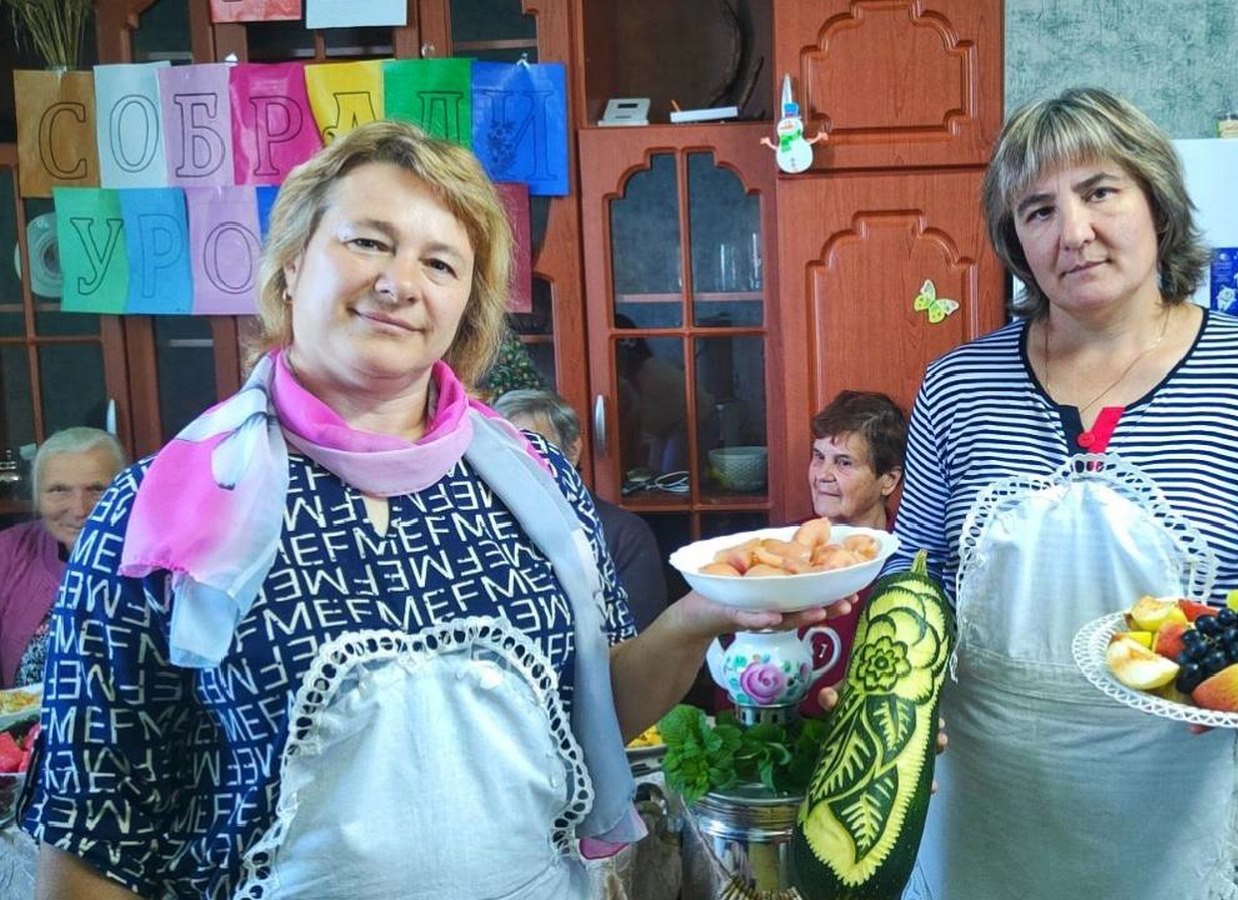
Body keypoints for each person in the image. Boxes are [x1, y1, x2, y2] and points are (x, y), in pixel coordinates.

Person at [23, 120, 850, 900]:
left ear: (465, 309)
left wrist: (699, 617)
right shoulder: (159, 508)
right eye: (367, 242)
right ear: (290, 265)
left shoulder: (537, 485)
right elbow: (90, 822)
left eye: (441, 264)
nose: (399, 284)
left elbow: (589, 711)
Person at [888, 87, 1238, 899]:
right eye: (1037, 210)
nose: (1072, 231)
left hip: (1174, 805)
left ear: (1157, 201)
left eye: (1099, 191)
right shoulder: (958, 385)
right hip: (984, 804)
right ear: (1015, 241)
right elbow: (911, 574)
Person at [493, 388, 671, 630]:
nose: (518, 464)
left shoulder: (624, 534)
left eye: (533, 449)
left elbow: (639, 639)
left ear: (572, 450)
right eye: (503, 450)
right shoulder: (486, 530)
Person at [797, 389, 907, 716]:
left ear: (888, 480)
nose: (822, 475)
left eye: (844, 462)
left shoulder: (910, 560)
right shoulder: (783, 548)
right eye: (819, 457)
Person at [0, 427, 125, 689]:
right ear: (37, 497)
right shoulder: (9, 551)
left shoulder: (156, 562)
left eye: (97, 489)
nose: (79, 509)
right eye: (59, 490)